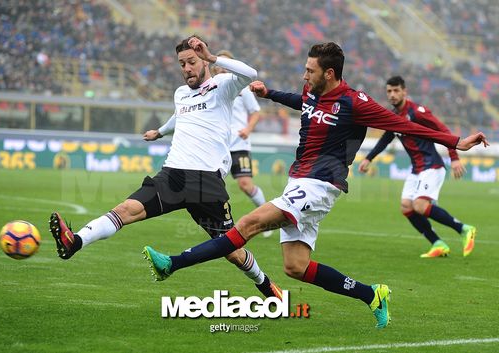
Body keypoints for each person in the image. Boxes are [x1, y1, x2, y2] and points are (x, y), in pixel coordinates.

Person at [142, 42, 488, 329]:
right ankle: (372, 294)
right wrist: (272, 95)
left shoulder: (356, 103)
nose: (304, 75)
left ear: (330, 73)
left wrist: (455, 142)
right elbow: (302, 101)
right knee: (296, 266)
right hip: (300, 179)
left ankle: (173, 263)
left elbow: (403, 125)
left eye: (309, 70)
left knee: (249, 223)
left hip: (322, 184)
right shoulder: (312, 91)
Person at [49, 36, 282, 299]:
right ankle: (75, 242)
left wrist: (212, 56)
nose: (186, 69)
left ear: (203, 61)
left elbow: (251, 74)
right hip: (172, 175)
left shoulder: (224, 85)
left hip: (207, 182)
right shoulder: (181, 94)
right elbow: (177, 118)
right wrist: (159, 133)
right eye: (182, 64)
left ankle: (265, 284)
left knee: (232, 250)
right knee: (126, 210)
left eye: (191, 62)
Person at [358, 76, 476, 258]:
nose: (392, 94)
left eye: (396, 90)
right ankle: (438, 243)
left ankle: (464, 229)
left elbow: (443, 130)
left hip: (432, 165)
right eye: (389, 91)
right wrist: (369, 158)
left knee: (420, 205)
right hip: (416, 169)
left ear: (404, 91)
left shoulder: (417, 112)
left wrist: (454, 157)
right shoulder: (393, 116)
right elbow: (386, 139)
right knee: (406, 206)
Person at [213, 50, 272, 237]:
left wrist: (248, 129)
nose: (223, 68)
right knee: (213, 186)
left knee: (245, 184)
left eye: (228, 64)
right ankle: (219, 225)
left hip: (238, 144)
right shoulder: (210, 87)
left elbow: (255, 111)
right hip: (217, 145)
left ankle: (267, 218)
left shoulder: (242, 88)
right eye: (221, 65)